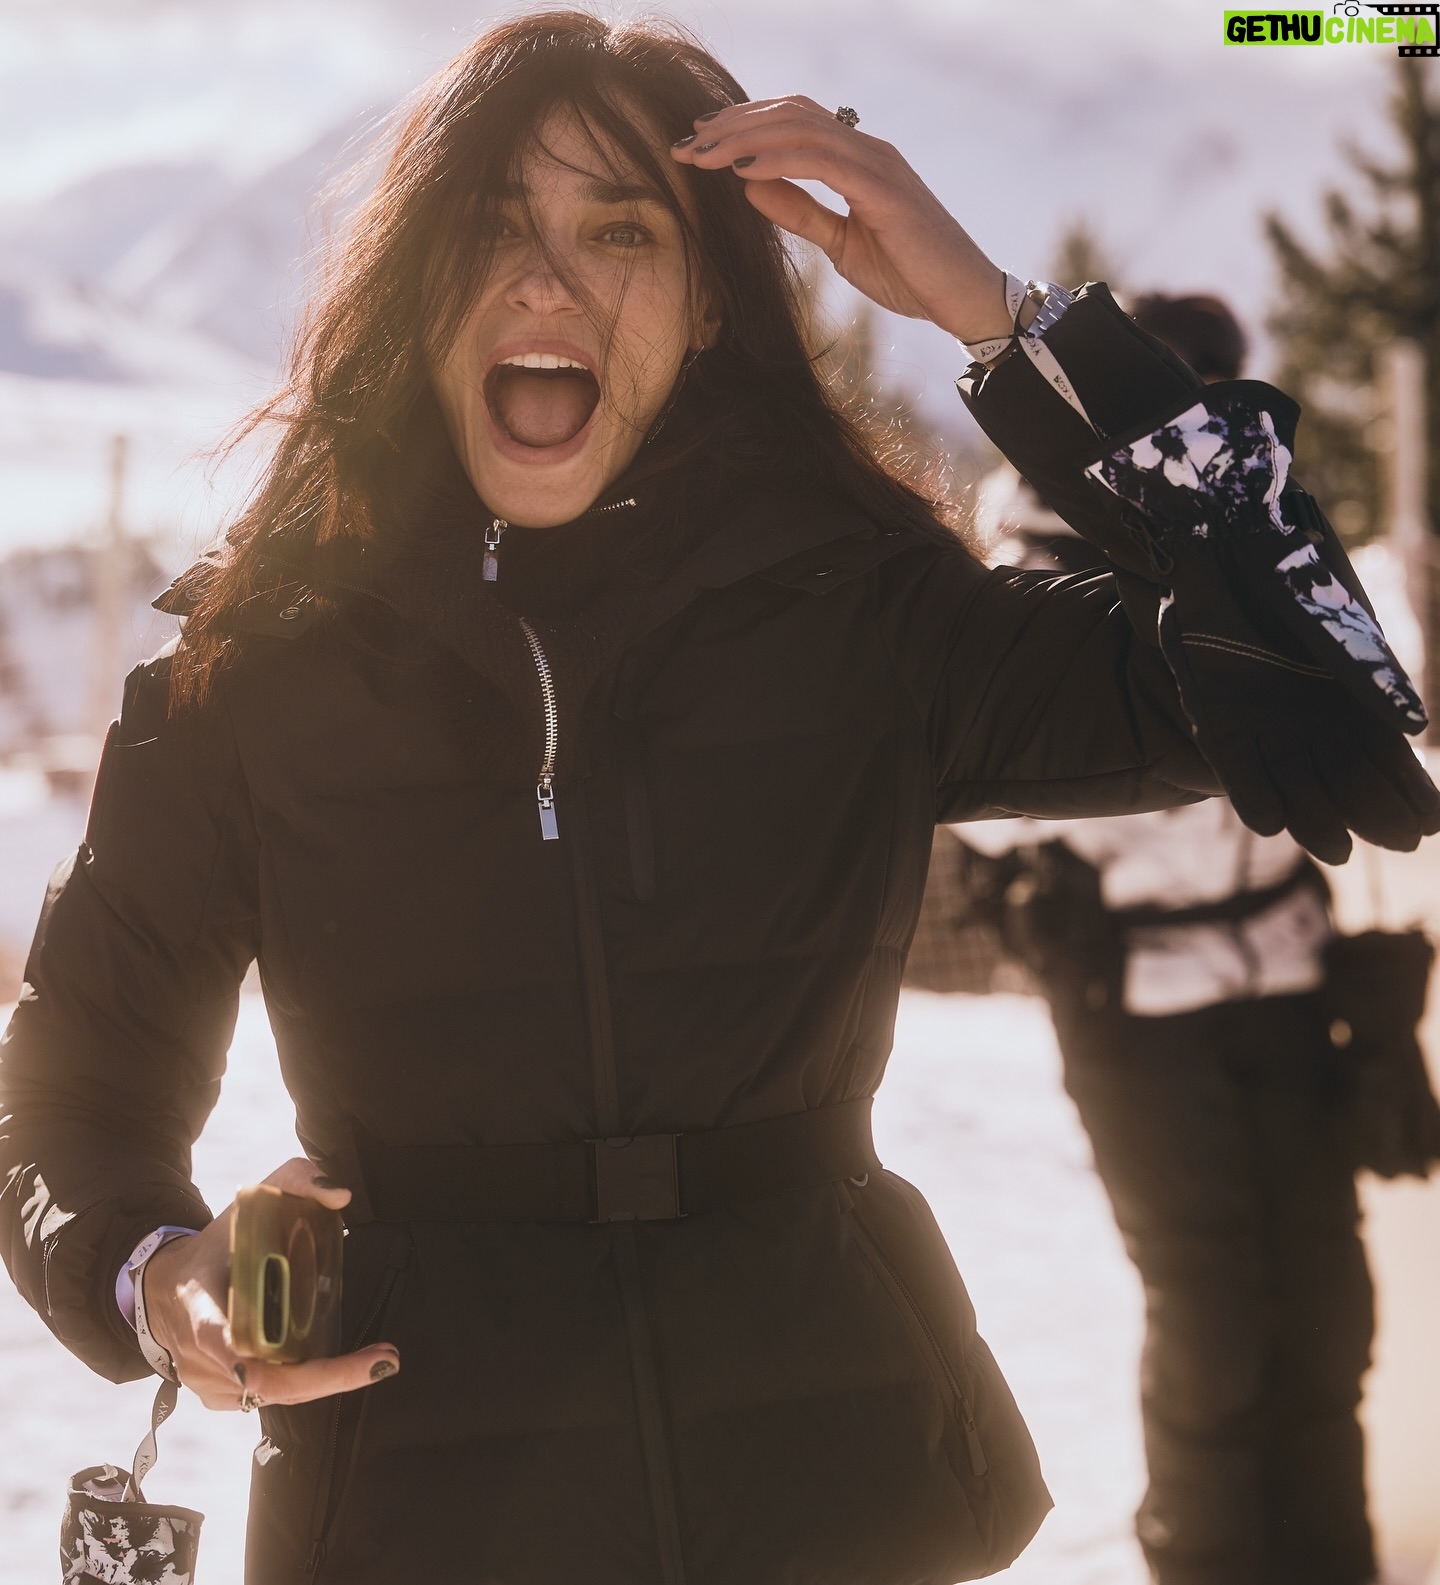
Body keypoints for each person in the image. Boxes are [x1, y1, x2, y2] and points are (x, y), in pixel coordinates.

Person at [0, 18, 1432, 1584]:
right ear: (416, 289)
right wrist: (152, 1276)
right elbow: (67, 1102)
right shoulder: (244, 676)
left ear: (705, 305)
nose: (547, 283)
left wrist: (1001, 319)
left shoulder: (864, 617)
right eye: (490, 225)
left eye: (621, 230)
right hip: (413, 1512)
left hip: (839, 1498)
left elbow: (1328, 681)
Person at [961, 292, 1377, 1585]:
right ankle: (1206, 1560)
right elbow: (979, 779)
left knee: (1325, 1300)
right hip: (1135, 1000)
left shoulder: (1271, 536)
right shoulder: (1035, 552)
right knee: (1212, 1312)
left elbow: (1372, 713)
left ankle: (1331, 1558)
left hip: (1290, 978)